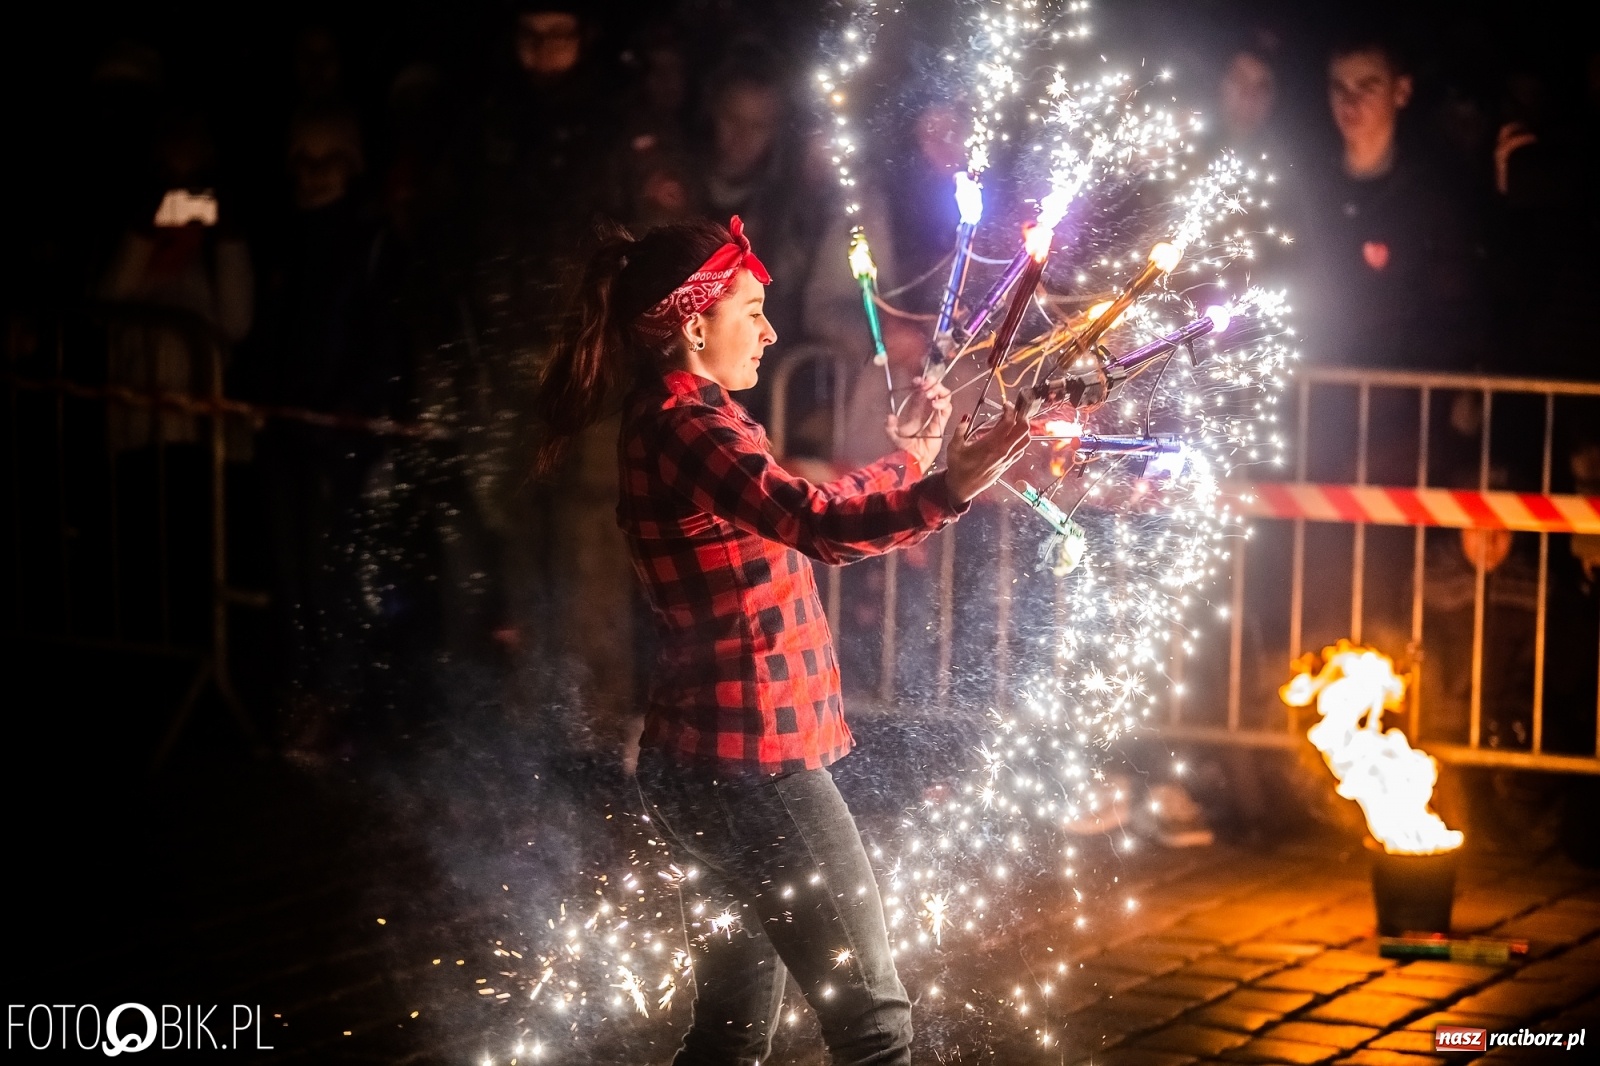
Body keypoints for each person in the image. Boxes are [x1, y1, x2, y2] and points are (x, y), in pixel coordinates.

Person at [530, 216, 1030, 1065]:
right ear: (694, 326)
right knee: (875, 1027)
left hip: (707, 763)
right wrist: (950, 483)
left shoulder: (685, 418)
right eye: (751, 310)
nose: (769, 330)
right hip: (752, 766)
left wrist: (908, 462)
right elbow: (815, 522)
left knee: (728, 1032)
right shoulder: (687, 427)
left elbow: (799, 506)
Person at [1296, 32, 1486, 373]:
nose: (1350, 103)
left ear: (1401, 91)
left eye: (1367, 87)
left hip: (1406, 389)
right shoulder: (1308, 188)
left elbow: (1455, 299)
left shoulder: (1432, 194)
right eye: (1339, 88)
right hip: (1318, 384)